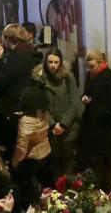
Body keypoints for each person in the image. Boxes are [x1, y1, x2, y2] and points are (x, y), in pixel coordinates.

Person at [32, 48, 82, 178]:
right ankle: (56, 191)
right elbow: (39, 105)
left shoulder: (68, 77)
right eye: (50, 62)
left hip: (68, 127)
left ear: (60, 62)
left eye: (56, 62)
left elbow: (74, 102)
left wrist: (64, 123)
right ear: (45, 62)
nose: (53, 65)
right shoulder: (40, 79)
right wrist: (53, 124)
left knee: (68, 159)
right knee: (54, 160)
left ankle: (69, 190)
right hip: (50, 127)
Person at [79, 49, 111, 186]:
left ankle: (101, 189)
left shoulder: (110, 76)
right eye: (88, 66)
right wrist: (84, 98)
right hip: (89, 122)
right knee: (89, 159)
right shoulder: (89, 75)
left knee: (100, 161)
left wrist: (95, 105)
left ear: (101, 63)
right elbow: (86, 92)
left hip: (103, 125)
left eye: (92, 66)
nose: (89, 69)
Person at [12, 86, 52, 213]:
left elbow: (22, 150)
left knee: (30, 190)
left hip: (32, 159)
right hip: (45, 153)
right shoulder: (44, 113)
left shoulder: (26, 121)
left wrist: (13, 164)